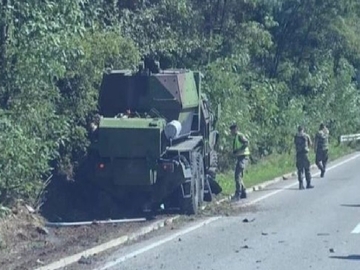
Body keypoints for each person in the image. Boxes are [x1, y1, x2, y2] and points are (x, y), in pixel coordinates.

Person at [230, 123, 250, 201]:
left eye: (232, 130)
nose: (231, 132)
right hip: (240, 157)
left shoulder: (239, 136)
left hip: (243, 157)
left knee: (237, 176)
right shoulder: (236, 137)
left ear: (235, 129)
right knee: (239, 176)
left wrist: (238, 150)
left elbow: (246, 143)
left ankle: (238, 194)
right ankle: (243, 193)